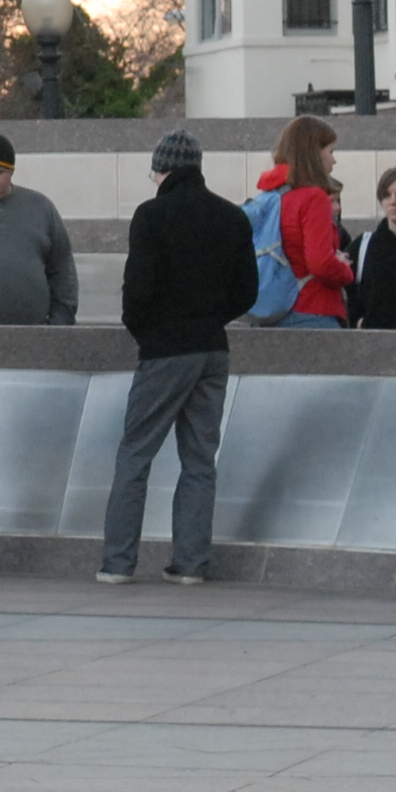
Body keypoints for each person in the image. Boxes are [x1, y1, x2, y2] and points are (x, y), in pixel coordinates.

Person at [100, 128, 251, 583]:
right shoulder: (232, 217)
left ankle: (118, 564)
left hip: (165, 351)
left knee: (135, 456)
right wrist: (209, 318)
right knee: (200, 460)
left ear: (162, 169)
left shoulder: (152, 215)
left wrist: (151, 333)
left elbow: (136, 293)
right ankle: (189, 565)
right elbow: (248, 292)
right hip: (212, 350)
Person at [244, 115, 355, 326]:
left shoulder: (268, 197)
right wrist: (344, 269)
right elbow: (320, 263)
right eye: (331, 151)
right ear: (314, 152)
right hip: (313, 309)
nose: (334, 160)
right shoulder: (314, 198)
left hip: (274, 309)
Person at [0, 130, 79, 325]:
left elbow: (62, 269)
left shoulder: (40, 207)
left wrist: (61, 320)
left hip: (39, 334)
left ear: (11, 171)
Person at [348, 164, 396, 331]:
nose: (393, 202)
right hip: (373, 339)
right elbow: (347, 290)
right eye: (387, 195)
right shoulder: (364, 244)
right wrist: (357, 321)